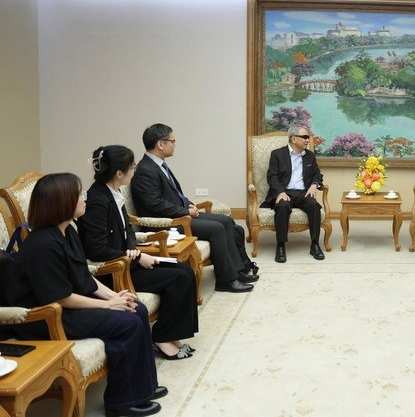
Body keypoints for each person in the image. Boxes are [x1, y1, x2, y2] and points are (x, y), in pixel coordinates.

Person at [6, 173, 165, 417]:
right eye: (79, 194)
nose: (85, 198)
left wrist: (115, 296)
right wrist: (108, 306)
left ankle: (142, 387)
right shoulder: (43, 244)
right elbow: (59, 297)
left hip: (67, 306)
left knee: (136, 308)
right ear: (62, 201)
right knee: (128, 322)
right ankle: (121, 403)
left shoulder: (67, 231)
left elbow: (84, 276)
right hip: (44, 317)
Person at [79, 145, 199, 361]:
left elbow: (127, 231)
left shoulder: (113, 192)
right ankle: (162, 338)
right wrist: (133, 256)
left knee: (184, 269)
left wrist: (134, 249)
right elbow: (96, 249)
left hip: (128, 259)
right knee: (178, 277)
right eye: (132, 167)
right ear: (119, 173)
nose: (134, 170)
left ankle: (171, 335)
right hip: (114, 269)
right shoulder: (97, 200)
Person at [130, 124, 256, 293]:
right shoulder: (145, 170)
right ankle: (226, 281)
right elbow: (155, 204)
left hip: (177, 215)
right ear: (161, 144)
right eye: (172, 141)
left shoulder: (159, 165)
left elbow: (174, 194)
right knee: (217, 229)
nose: (175, 144)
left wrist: (189, 204)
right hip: (165, 223)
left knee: (226, 221)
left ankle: (237, 270)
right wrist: (185, 212)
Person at [261, 125, 325, 263]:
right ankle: (281, 246)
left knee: (314, 205)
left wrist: (314, 185)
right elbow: (272, 177)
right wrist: (280, 193)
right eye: (305, 137)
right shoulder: (277, 154)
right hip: (285, 192)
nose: (308, 140)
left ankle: (314, 244)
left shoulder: (310, 156)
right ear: (294, 139)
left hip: (303, 192)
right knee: (282, 206)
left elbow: (317, 174)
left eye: (308, 137)